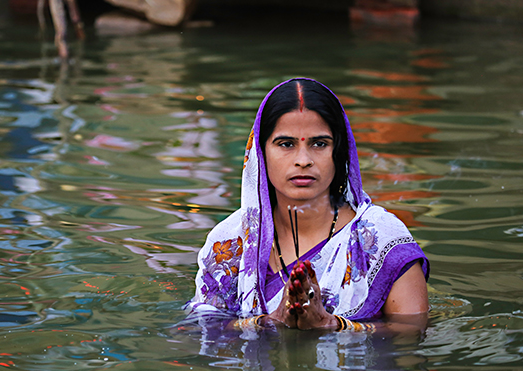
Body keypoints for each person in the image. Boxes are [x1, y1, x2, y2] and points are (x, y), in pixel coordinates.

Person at [184, 78, 429, 331]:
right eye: (286, 144)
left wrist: (333, 326)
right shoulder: (230, 240)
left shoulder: (382, 239)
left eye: (319, 144)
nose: (303, 160)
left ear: (340, 152)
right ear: (260, 152)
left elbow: (412, 332)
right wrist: (267, 322)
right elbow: (201, 329)